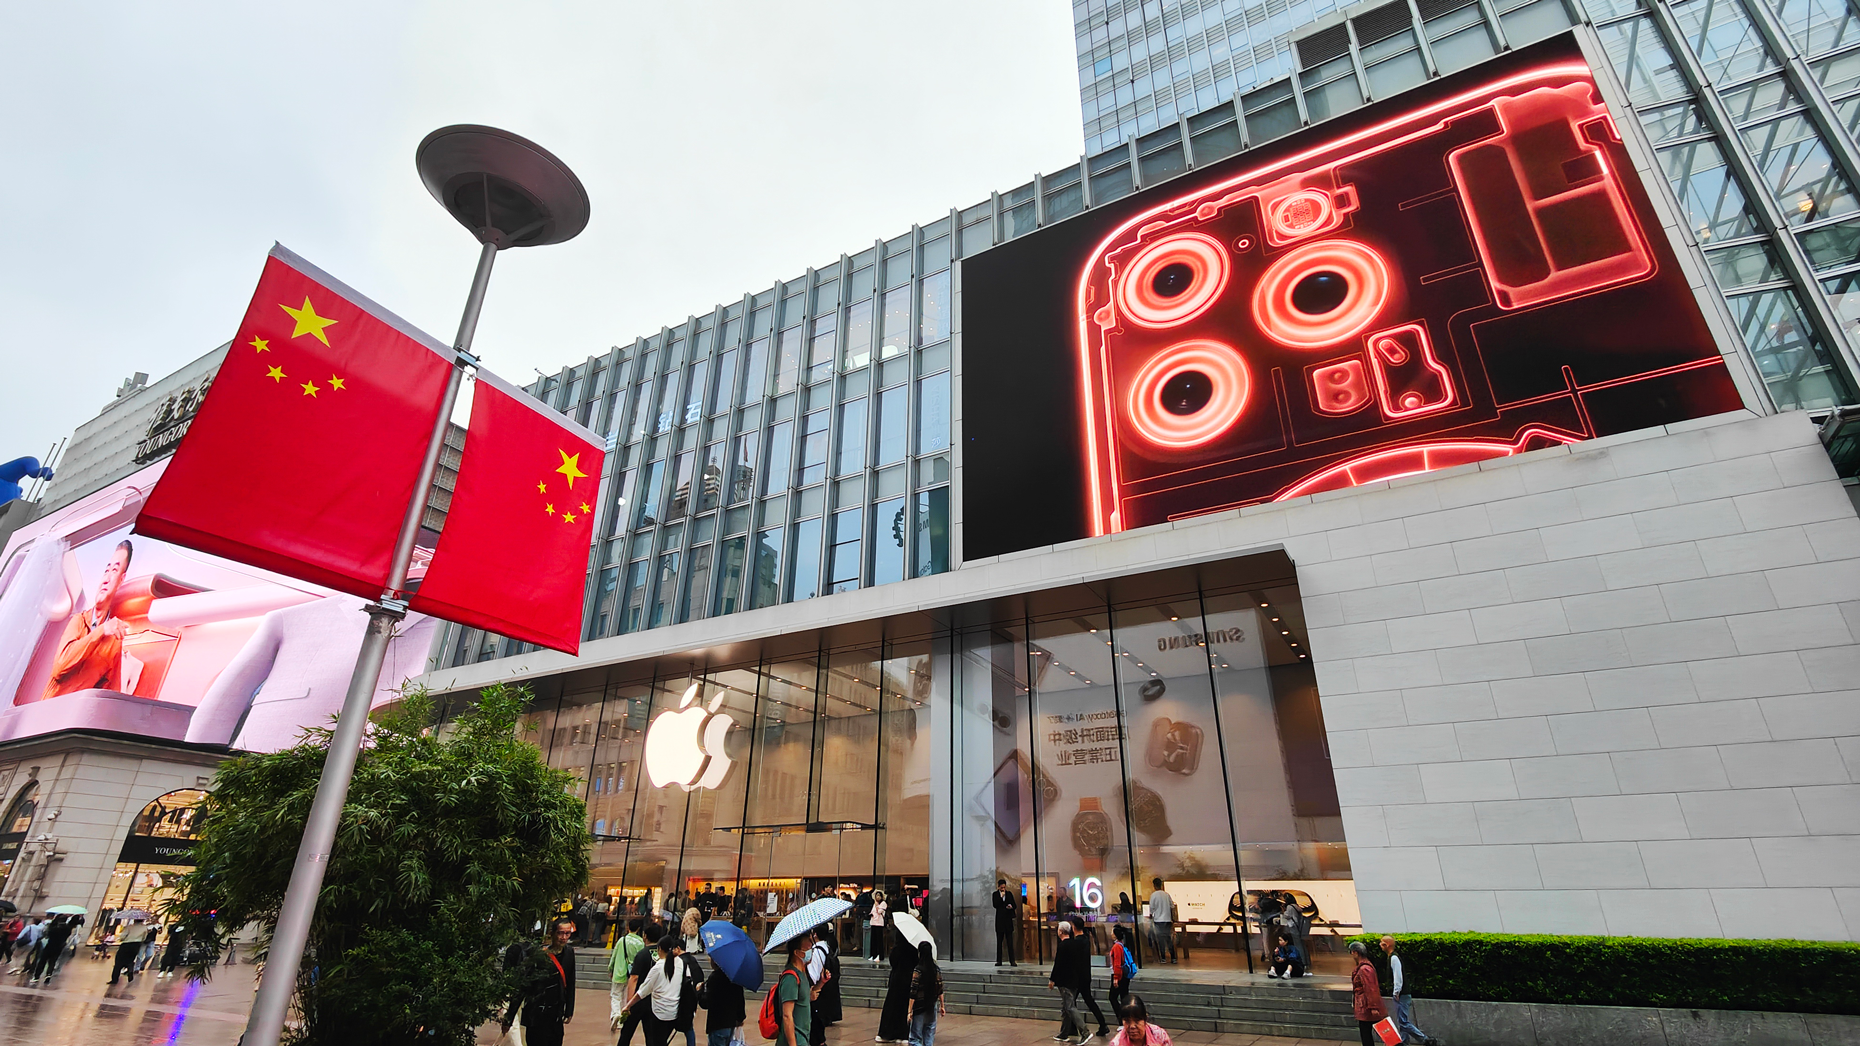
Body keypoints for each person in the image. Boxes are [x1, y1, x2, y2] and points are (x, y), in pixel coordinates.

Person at [45, 540, 133, 698]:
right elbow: (60, 667)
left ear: (121, 579)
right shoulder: (78, 621)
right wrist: (101, 631)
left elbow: (109, 694)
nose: (106, 578)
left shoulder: (114, 643)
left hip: (74, 719)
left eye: (114, 570)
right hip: (46, 713)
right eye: (106, 570)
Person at [502, 919, 577, 1046]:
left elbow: (570, 983)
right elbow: (524, 986)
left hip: (556, 1014)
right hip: (537, 1014)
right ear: (552, 934)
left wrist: (569, 1009)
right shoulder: (538, 956)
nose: (563, 938)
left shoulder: (569, 953)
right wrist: (510, 1017)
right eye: (560, 933)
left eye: (567, 934)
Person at [1047, 920, 1105, 1045]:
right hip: (1076, 978)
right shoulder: (1079, 942)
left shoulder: (1068, 944)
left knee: (1069, 1006)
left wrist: (1052, 979)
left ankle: (1085, 1031)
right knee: (1067, 1007)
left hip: (1070, 980)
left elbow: (1059, 964)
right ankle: (1065, 1033)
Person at [631, 934, 693, 1046]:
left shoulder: (658, 967)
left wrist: (628, 1006)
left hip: (659, 1013)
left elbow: (643, 991)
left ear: (660, 949)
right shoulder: (682, 964)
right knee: (662, 1040)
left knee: (657, 1040)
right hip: (674, 1011)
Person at [1381, 935, 1438, 1046]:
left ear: (1387, 944)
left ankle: (1425, 1039)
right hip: (1402, 994)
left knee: (1403, 1022)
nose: (1380, 945)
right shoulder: (1392, 957)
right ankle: (1404, 1042)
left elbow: (1398, 976)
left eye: (1381, 942)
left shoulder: (1394, 958)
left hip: (1401, 994)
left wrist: (1396, 991)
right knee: (1402, 1020)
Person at [618, 919, 667, 1046]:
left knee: (627, 1033)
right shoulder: (664, 956)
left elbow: (634, 978)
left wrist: (629, 1002)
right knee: (651, 1035)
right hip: (656, 999)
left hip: (639, 998)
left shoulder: (642, 954)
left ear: (645, 936)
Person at [875, 921, 918, 1044]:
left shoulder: (897, 948)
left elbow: (893, 962)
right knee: (905, 1006)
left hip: (896, 980)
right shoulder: (913, 948)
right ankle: (904, 1034)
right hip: (909, 979)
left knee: (892, 1006)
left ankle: (887, 1034)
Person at [776, 932, 821, 1046]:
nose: (811, 951)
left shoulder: (803, 973)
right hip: (795, 1039)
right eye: (808, 948)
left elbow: (803, 1000)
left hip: (803, 1037)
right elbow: (787, 1015)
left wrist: (822, 982)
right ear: (797, 953)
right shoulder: (791, 978)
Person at [613, 917, 652, 1031]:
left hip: (619, 971)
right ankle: (623, 1014)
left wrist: (610, 968)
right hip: (633, 972)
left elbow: (614, 956)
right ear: (639, 929)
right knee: (627, 994)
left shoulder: (621, 940)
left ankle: (616, 1013)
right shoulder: (640, 942)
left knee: (616, 995)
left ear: (628, 927)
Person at [807, 922, 841, 1046]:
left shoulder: (816, 951)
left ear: (815, 934)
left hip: (818, 996)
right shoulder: (827, 946)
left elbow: (813, 975)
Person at [1349, 941, 1389, 1046]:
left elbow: (1371, 988)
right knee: (1370, 1032)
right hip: (1366, 1006)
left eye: (1352, 952)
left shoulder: (1364, 969)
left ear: (1356, 952)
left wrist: (1373, 1007)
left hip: (1366, 1006)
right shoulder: (1364, 967)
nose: (1351, 955)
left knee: (1369, 1033)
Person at [703, 950, 746, 1046]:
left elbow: (706, 1003)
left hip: (717, 1024)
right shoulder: (734, 977)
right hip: (730, 1023)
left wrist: (699, 992)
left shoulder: (714, 978)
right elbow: (740, 999)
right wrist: (740, 1017)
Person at [907, 940, 944, 1046]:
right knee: (929, 1035)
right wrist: (942, 1006)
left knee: (915, 1038)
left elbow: (913, 992)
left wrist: (909, 1010)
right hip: (932, 1005)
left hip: (919, 1006)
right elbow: (940, 988)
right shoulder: (935, 969)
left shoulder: (918, 970)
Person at [27, 914, 76, 984]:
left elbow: (48, 934)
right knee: (52, 962)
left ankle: (36, 976)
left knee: (42, 961)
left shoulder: (54, 928)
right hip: (59, 947)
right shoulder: (68, 928)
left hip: (50, 945)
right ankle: (48, 975)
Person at [108, 918, 150, 985]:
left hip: (126, 944)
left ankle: (114, 979)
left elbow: (123, 936)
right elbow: (144, 938)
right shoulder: (144, 928)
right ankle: (130, 968)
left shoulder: (129, 927)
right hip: (136, 945)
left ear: (134, 920)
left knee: (118, 962)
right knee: (130, 960)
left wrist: (120, 939)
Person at [1107, 925, 1138, 1015]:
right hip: (1124, 974)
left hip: (1119, 975)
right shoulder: (1122, 945)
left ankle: (1122, 1017)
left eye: (1112, 931)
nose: (1111, 933)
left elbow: (1117, 963)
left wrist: (1116, 977)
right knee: (1124, 997)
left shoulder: (1116, 946)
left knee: (1113, 998)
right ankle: (1127, 1017)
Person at [1146, 878, 1176, 965]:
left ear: (1154, 885)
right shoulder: (1166, 895)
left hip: (1158, 920)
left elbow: (1151, 909)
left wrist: (1150, 916)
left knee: (1160, 940)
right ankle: (1173, 958)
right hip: (1167, 920)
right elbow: (1172, 906)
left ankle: (1163, 958)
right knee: (1168, 939)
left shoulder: (1153, 895)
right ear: (1161, 885)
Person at [992, 879, 1020, 966]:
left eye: (1004, 887)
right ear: (998, 887)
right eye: (1001, 887)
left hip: (1008, 921)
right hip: (1000, 921)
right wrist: (1001, 898)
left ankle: (1012, 960)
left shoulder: (1009, 894)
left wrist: (1010, 906)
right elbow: (995, 905)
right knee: (999, 942)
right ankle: (999, 960)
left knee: (1010, 942)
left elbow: (1014, 905)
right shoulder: (995, 894)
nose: (1003, 889)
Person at [868, 891, 888, 961]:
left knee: (879, 940)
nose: (878, 897)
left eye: (879, 896)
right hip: (873, 922)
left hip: (879, 923)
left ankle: (880, 955)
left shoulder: (883, 903)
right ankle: (873, 955)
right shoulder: (874, 903)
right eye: (877, 896)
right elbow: (872, 911)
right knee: (873, 940)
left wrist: (877, 905)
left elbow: (879, 911)